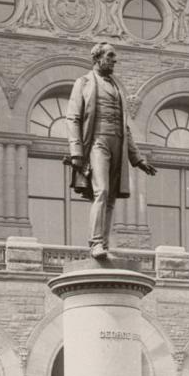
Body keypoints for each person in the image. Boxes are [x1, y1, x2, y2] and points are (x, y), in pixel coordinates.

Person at [65, 42, 156, 258]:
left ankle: (103, 246)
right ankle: (95, 242)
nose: (115, 60)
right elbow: (73, 117)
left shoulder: (116, 87)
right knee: (102, 190)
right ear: (97, 58)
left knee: (111, 198)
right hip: (97, 142)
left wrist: (137, 159)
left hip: (117, 144)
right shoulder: (84, 82)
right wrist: (77, 152)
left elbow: (125, 127)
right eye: (110, 56)